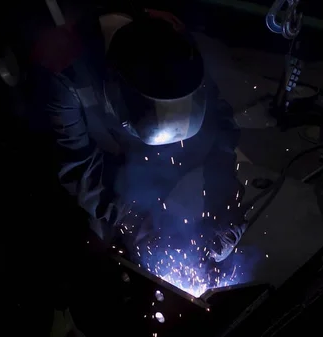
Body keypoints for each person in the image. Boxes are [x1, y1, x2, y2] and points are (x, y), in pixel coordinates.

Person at [22, 3, 248, 262]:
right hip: (95, 150)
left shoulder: (177, 48)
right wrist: (136, 221)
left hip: (140, 142)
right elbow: (77, 166)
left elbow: (220, 130)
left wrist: (224, 201)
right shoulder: (63, 68)